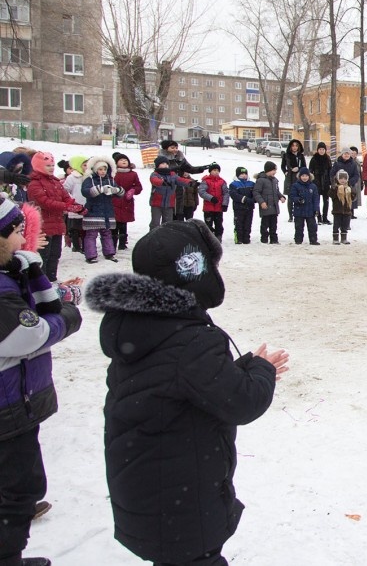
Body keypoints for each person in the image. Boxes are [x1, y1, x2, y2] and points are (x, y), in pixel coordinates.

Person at [85, 220, 289, 566]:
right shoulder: (190, 339)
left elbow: (175, 384)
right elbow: (241, 402)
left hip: (149, 489)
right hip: (183, 501)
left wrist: (239, 368)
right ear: (194, 272)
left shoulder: (140, 324)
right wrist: (260, 370)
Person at [0, 198, 83, 566]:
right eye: (19, 233)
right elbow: (30, 334)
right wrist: (66, 319)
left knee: (19, 487)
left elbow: (46, 309)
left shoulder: (10, 276)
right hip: (7, 406)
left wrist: (34, 273)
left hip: (16, 402)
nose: (25, 241)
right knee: (16, 491)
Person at [26, 151, 85, 281]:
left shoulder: (55, 182)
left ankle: (52, 279)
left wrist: (79, 208)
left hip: (57, 224)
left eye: (52, 165)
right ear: (38, 166)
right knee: (43, 255)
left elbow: (66, 197)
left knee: (55, 254)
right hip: (42, 225)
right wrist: (67, 207)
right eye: (48, 165)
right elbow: (44, 202)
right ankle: (41, 281)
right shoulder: (34, 183)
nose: (52, 168)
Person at [81, 154, 124, 264]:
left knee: (107, 233)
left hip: (107, 211)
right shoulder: (89, 180)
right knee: (91, 234)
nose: (103, 171)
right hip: (93, 211)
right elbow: (85, 192)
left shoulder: (110, 180)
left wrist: (116, 190)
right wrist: (99, 189)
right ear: (95, 170)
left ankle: (109, 253)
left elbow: (121, 192)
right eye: (100, 169)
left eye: (104, 169)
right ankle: (90, 255)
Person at [110, 153, 142, 251]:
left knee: (123, 223)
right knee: (114, 223)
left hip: (126, 202)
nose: (124, 161)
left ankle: (122, 243)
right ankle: (112, 243)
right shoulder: (112, 173)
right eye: (121, 160)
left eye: (125, 160)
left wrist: (133, 191)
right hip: (114, 201)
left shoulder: (133, 174)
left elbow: (138, 186)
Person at [253, 161, 285, 245]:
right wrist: (262, 202)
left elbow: (277, 191)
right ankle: (264, 239)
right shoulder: (261, 180)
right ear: (268, 170)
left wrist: (281, 197)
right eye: (274, 170)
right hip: (266, 206)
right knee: (265, 224)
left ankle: (274, 239)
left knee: (274, 224)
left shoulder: (275, 180)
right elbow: (256, 192)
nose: (275, 172)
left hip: (274, 206)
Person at [62, 155, 88, 253]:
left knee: (85, 229)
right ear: (77, 165)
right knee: (75, 228)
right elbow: (65, 190)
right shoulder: (72, 177)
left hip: (86, 206)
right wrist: (71, 201)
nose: (86, 167)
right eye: (84, 165)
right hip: (75, 206)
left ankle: (86, 246)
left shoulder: (88, 177)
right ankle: (76, 246)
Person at [198, 163, 230, 241]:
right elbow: (201, 192)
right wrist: (211, 198)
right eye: (214, 170)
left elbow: (226, 193)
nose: (216, 172)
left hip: (219, 208)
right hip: (208, 207)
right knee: (208, 224)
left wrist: (225, 204)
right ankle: (209, 238)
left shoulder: (222, 181)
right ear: (210, 171)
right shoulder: (206, 181)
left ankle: (218, 237)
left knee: (219, 224)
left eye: (218, 170)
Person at [289, 167, 321, 246]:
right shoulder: (295, 186)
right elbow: (292, 196)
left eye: (306, 176)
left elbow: (316, 199)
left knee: (312, 227)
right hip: (299, 210)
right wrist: (298, 200)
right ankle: (298, 240)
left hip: (310, 211)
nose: (304, 177)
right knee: (299, 227)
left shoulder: (313, 186)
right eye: (302, 176)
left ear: (309, 176)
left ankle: (313, 240)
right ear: (299, 176)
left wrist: (316, 209)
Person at [149, 157, 182, 230]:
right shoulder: (155, 174)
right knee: (155, 223)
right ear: (158, 165)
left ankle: (165, 238)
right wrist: (162, 182)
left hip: (169, 203)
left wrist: (190, 183)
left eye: (167, 164)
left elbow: (180, 180)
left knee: (167, 223)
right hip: (156, 203)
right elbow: (154, 180)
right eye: (163, 163)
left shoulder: (173, 175)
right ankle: (152, 238)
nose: (166, 165)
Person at [280, 140, 307, 223]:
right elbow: (282, 166)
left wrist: (298, 169)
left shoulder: (300, 156)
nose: (294, 147)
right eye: (293, 146)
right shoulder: (286, 155)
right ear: (290, 147)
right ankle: (290, 215)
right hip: (289, 178)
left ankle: (298, 213)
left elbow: (304, 167)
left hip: (298, 177)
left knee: (299, 196)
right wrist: (285, 171)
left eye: (296, 146)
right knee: (290, 197)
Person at [229, 167, 255, 245]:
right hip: (238, 207)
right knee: (239, 223)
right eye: (241, 174)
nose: (244, 175)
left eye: (245, 174)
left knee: (248, 223)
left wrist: (253, 199)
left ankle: (246, 238)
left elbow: (255, 192)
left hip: (249, 207)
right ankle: (238, 238)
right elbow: (234, 195)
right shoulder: (233, 184)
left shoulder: (251, 183)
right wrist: (245, 199)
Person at [309, 142, 333, 225]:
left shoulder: (327, 158)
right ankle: (319, 217)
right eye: (320, 149)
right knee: (317, 201)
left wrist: (330, 181)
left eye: (323, 149)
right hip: (316, 183)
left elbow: (331, 170)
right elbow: (310, 171)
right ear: (317, 150)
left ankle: (325, 217)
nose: (322, 151)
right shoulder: (314, 159)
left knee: (326, 201)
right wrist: (312, 181)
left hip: (326, 183)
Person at [330, 170, 354, 245]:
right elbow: (331, 195)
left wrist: (353, 192)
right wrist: (333, 189)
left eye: (344, 178)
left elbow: (353, 197)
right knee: (336, 225)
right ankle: (335, 238)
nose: (343, 180)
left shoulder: (349, 188)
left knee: (345, 225)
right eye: (341, 178)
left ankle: (344, 238)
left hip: (347, 211)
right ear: (337, 179)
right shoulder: (335, 188)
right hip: (337, 210)